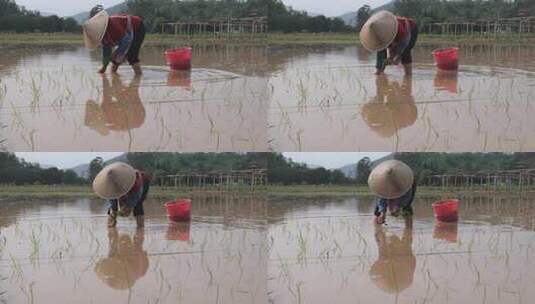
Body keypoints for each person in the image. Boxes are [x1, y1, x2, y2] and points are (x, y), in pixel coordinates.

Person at [83, 5, 146, 75]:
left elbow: (126, 41)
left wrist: (117, 53)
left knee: (131, 55)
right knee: (116, 57)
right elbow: (106, 52)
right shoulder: (102, 35)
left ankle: (138, 78)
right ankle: (114, 76)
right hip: (126, 35)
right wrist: (104, 67)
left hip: (137, 27)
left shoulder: (113, 24)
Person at [92, 162, 151, 228]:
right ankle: (110, 228)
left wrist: (128, 207)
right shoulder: (110, 188)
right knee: (113, 208)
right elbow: (113, 206)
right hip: (121, 186)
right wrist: (113, 216)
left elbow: (133, 200)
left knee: (138, 205)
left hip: (140, 183)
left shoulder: (136, 184)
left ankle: (140, 229)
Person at [359, 11, 418, 76]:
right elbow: (387, 46)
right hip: (392, 35)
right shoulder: (375, 31)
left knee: (405, 52)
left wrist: (397, 56)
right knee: (380, 49)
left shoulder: (400, 30)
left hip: (410, 30)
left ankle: (408, 74)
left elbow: (404, 42)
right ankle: (379, 71)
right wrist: (390, 56)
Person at [369, 217, 415, 294]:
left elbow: (412, 260)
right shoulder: (386, 253)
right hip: (387, 276)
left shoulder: (386, 252)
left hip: (399, 276)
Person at [368, 159, 416, 225]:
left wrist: (399, 207)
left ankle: (409, 228)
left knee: (406, 209)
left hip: (404, 180)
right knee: (378, 211)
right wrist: (383, 213)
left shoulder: (406, 183)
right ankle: (378, 228)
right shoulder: (381, 184)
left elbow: (407, 199)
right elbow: (381, 200)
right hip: (384, 180)